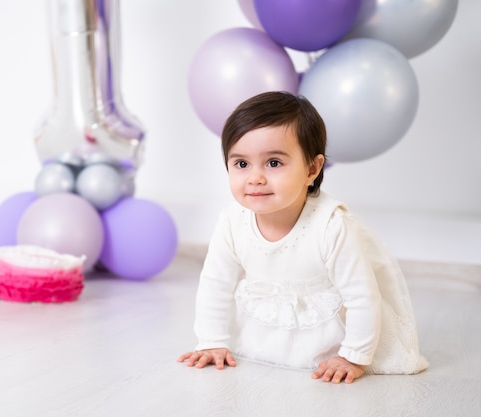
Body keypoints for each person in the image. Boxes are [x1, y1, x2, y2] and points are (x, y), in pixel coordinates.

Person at [177, 91, 428, 384]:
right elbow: (215, 284)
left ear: (312, 169)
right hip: (270, 323)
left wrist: (353, 355)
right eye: (241, 164)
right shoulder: (232, 221)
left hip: (330, 328)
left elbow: (361, 296)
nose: (255, 178)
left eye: (273, 163)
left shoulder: (331, 225)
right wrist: (212, 340)